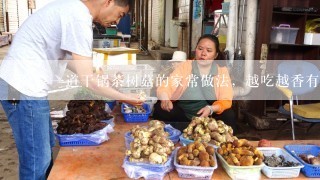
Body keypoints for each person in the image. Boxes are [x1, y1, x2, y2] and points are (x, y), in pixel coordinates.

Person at [0, 0, 143, 179]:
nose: (116, 21)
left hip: (25, 87)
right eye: (119, 14)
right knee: (37, 161)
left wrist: (99, 77)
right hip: (23, 88)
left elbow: (70, 61)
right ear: (108, 2)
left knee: (44, 151)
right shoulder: (78, 18)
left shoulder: (72, 10)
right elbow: (88, 81)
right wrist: (124, 97)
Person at [153, 34, 235, 132]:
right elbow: (167, 86)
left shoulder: (221, 71)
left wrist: (211, 109)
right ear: (196, 49)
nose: (203, 53)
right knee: (160, 109)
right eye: (200, 49)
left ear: (216, 55)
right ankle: (190, 129)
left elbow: (226, 99)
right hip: (183, 116)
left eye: (209, 51)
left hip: (209, 117)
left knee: (229, 115)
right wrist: (165, 99)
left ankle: (204, 130)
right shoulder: (185, 66)